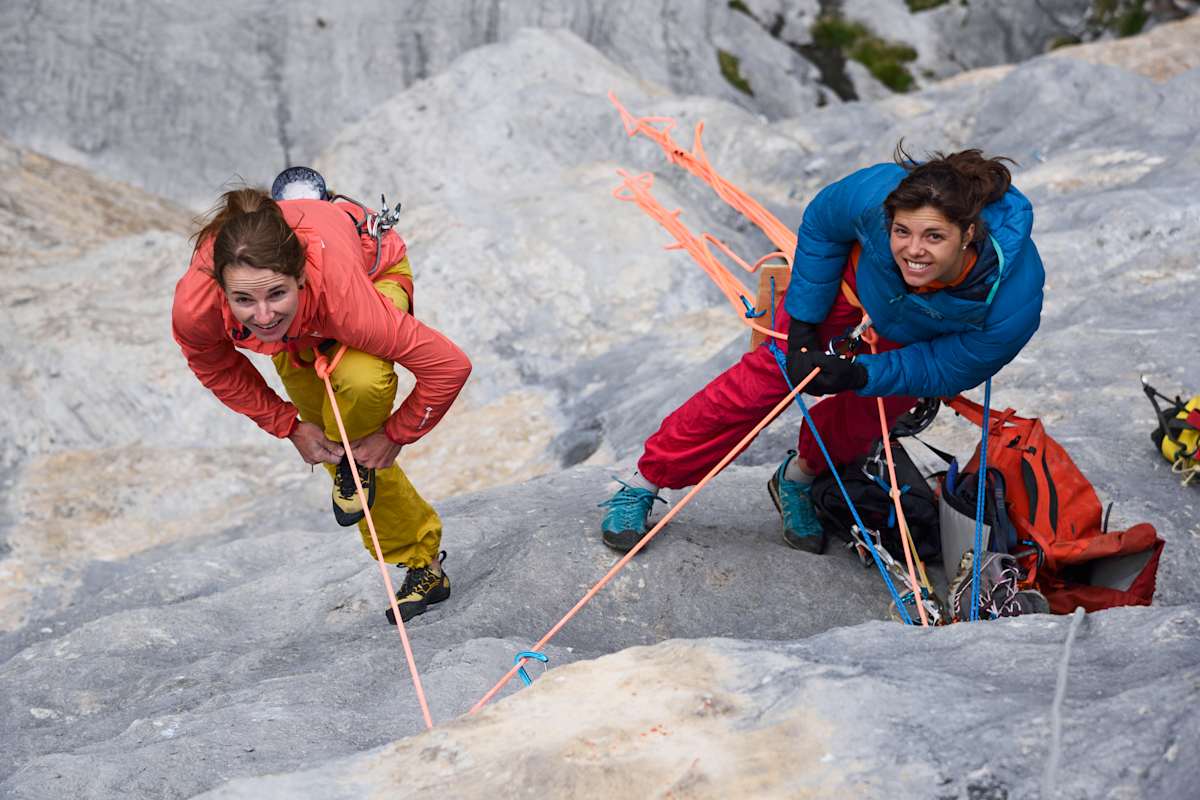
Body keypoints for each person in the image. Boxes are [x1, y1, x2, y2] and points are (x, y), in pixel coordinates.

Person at [599, 145, 1044, 554]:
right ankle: (646, 480)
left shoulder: (1012, 299)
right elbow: (821, 226)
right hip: (853, 289)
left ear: (967, 234)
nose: (913, 250)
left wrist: (860, 375)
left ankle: (798, 479)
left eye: (933, 237)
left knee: (872, 411)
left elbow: (945, 369)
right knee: (766, 379)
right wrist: (805, 326)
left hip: (924, 331)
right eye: (902, 231)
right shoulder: (875, 195)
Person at [173, 186, 472, 623]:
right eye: (243, 300)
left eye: (275, 293)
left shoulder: (344, 301)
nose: (261, 315)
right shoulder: (196, 307)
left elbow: (449, 366)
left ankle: (362, 473)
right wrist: (288, 425)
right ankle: (419, 562)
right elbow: (214, 364)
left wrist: (394, 436)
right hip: (302, 329)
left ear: (298, 277)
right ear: (220, 288)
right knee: (333, 443)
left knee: (361, 383)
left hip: (371, 276)